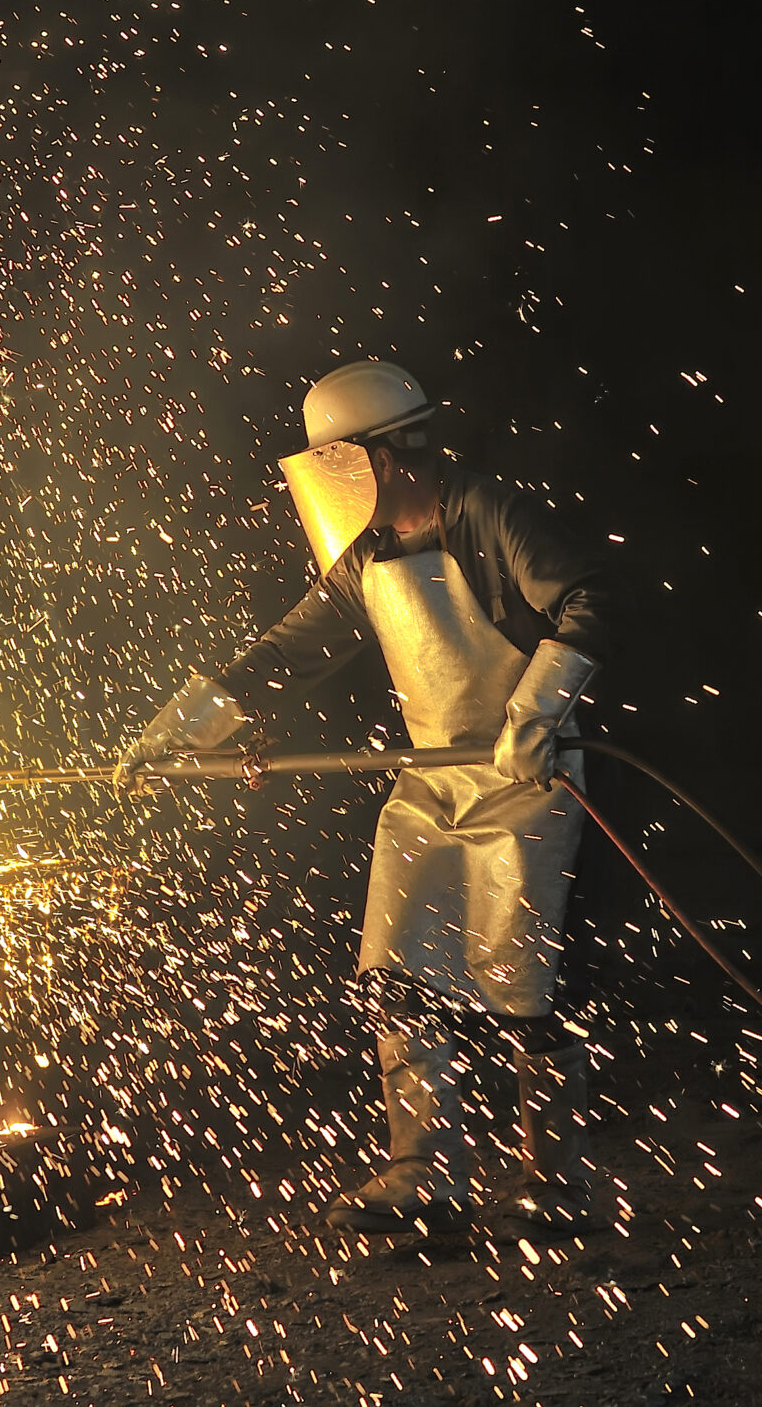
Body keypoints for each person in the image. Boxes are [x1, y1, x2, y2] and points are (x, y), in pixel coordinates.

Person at [117, 360, 619, 1237]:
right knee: (396, 972)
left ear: (381, 457)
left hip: (526, 779)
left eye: (336, 464)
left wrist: (540, 711)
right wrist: (175, 731)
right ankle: (425, 1168)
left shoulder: (485, 513)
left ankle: (558, 1177)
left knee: (522, 979)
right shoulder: (369, 556)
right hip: (432, 778)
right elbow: (284, 653)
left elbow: (589, 599)